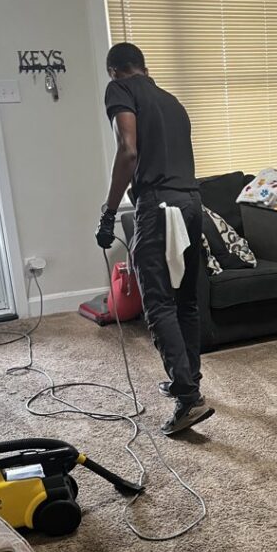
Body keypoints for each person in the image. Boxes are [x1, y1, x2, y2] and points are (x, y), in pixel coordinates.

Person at [95, 42, 214, 436]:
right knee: (187, 301)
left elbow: (128, 151)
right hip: (192, 203)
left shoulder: (120, 90)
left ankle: (187, 397)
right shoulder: (172, 101)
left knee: (158, 302)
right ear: (144, 67)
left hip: (159, 206)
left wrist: (109, 212)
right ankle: (188, 381)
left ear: (115, 71)